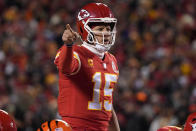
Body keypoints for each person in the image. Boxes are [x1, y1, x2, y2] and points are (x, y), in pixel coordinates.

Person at [54, 2, 120, 131]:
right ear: (84, 29)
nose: (106, 33)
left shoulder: (112, 60)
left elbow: (107, 105)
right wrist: (68, 45)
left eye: (108, 28)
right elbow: (65, 67)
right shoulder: (76, 53)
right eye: (100, 29)